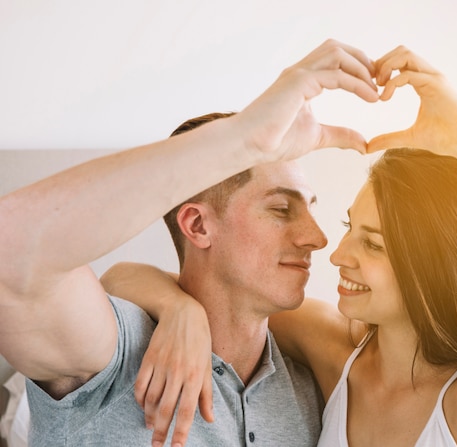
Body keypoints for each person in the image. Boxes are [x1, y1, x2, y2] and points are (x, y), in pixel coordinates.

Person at [104, 46, 457, 446]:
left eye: (372, 244)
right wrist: (178, 311)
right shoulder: (334, 350)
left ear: (432, 264)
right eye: (350, 225)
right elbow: (135, 279)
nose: (334, 252)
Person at [0, 39, 381, 447]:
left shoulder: (313, 385)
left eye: (310, 209)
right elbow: (10, 253)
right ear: (198, 225)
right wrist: (243, 139)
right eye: (281, 210)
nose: (318, 239)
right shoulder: (115, 352)